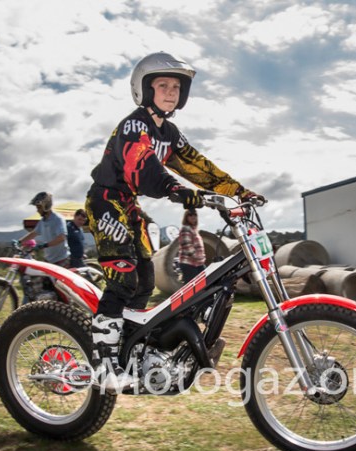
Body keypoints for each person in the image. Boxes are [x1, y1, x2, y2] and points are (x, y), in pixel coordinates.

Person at [85, 52, 261, 391]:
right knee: (122, 278)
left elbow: (197, 166)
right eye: (163, 85)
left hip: (129, 206)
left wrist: (239, 191)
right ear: (144, 89)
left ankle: (130, 351)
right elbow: (142, 165)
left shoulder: (170, 132)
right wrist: (175, 189)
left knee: (145, 281)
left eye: (176, 87)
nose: (170, 92)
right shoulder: (134, 125)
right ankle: (103, 366)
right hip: (106, 201)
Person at [18, 192, 70, 267]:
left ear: (46, 206)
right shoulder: (42, 221)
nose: (37, 210)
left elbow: (61, 238)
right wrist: (19, 242)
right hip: (49, 260)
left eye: (39, 207)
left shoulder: (58, 219)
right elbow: (33, 233)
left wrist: (44, 245)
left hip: (61, 260)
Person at [178, 208, 205, 283]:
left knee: (203, 284)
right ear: (186, 217)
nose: (193, 216)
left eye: (195, 214)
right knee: (194, 287)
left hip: (198, 263)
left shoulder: (193, 229)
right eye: (190, 215)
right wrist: (198, 257)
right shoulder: (186, 228)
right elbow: (187, 245)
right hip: (189, 263)